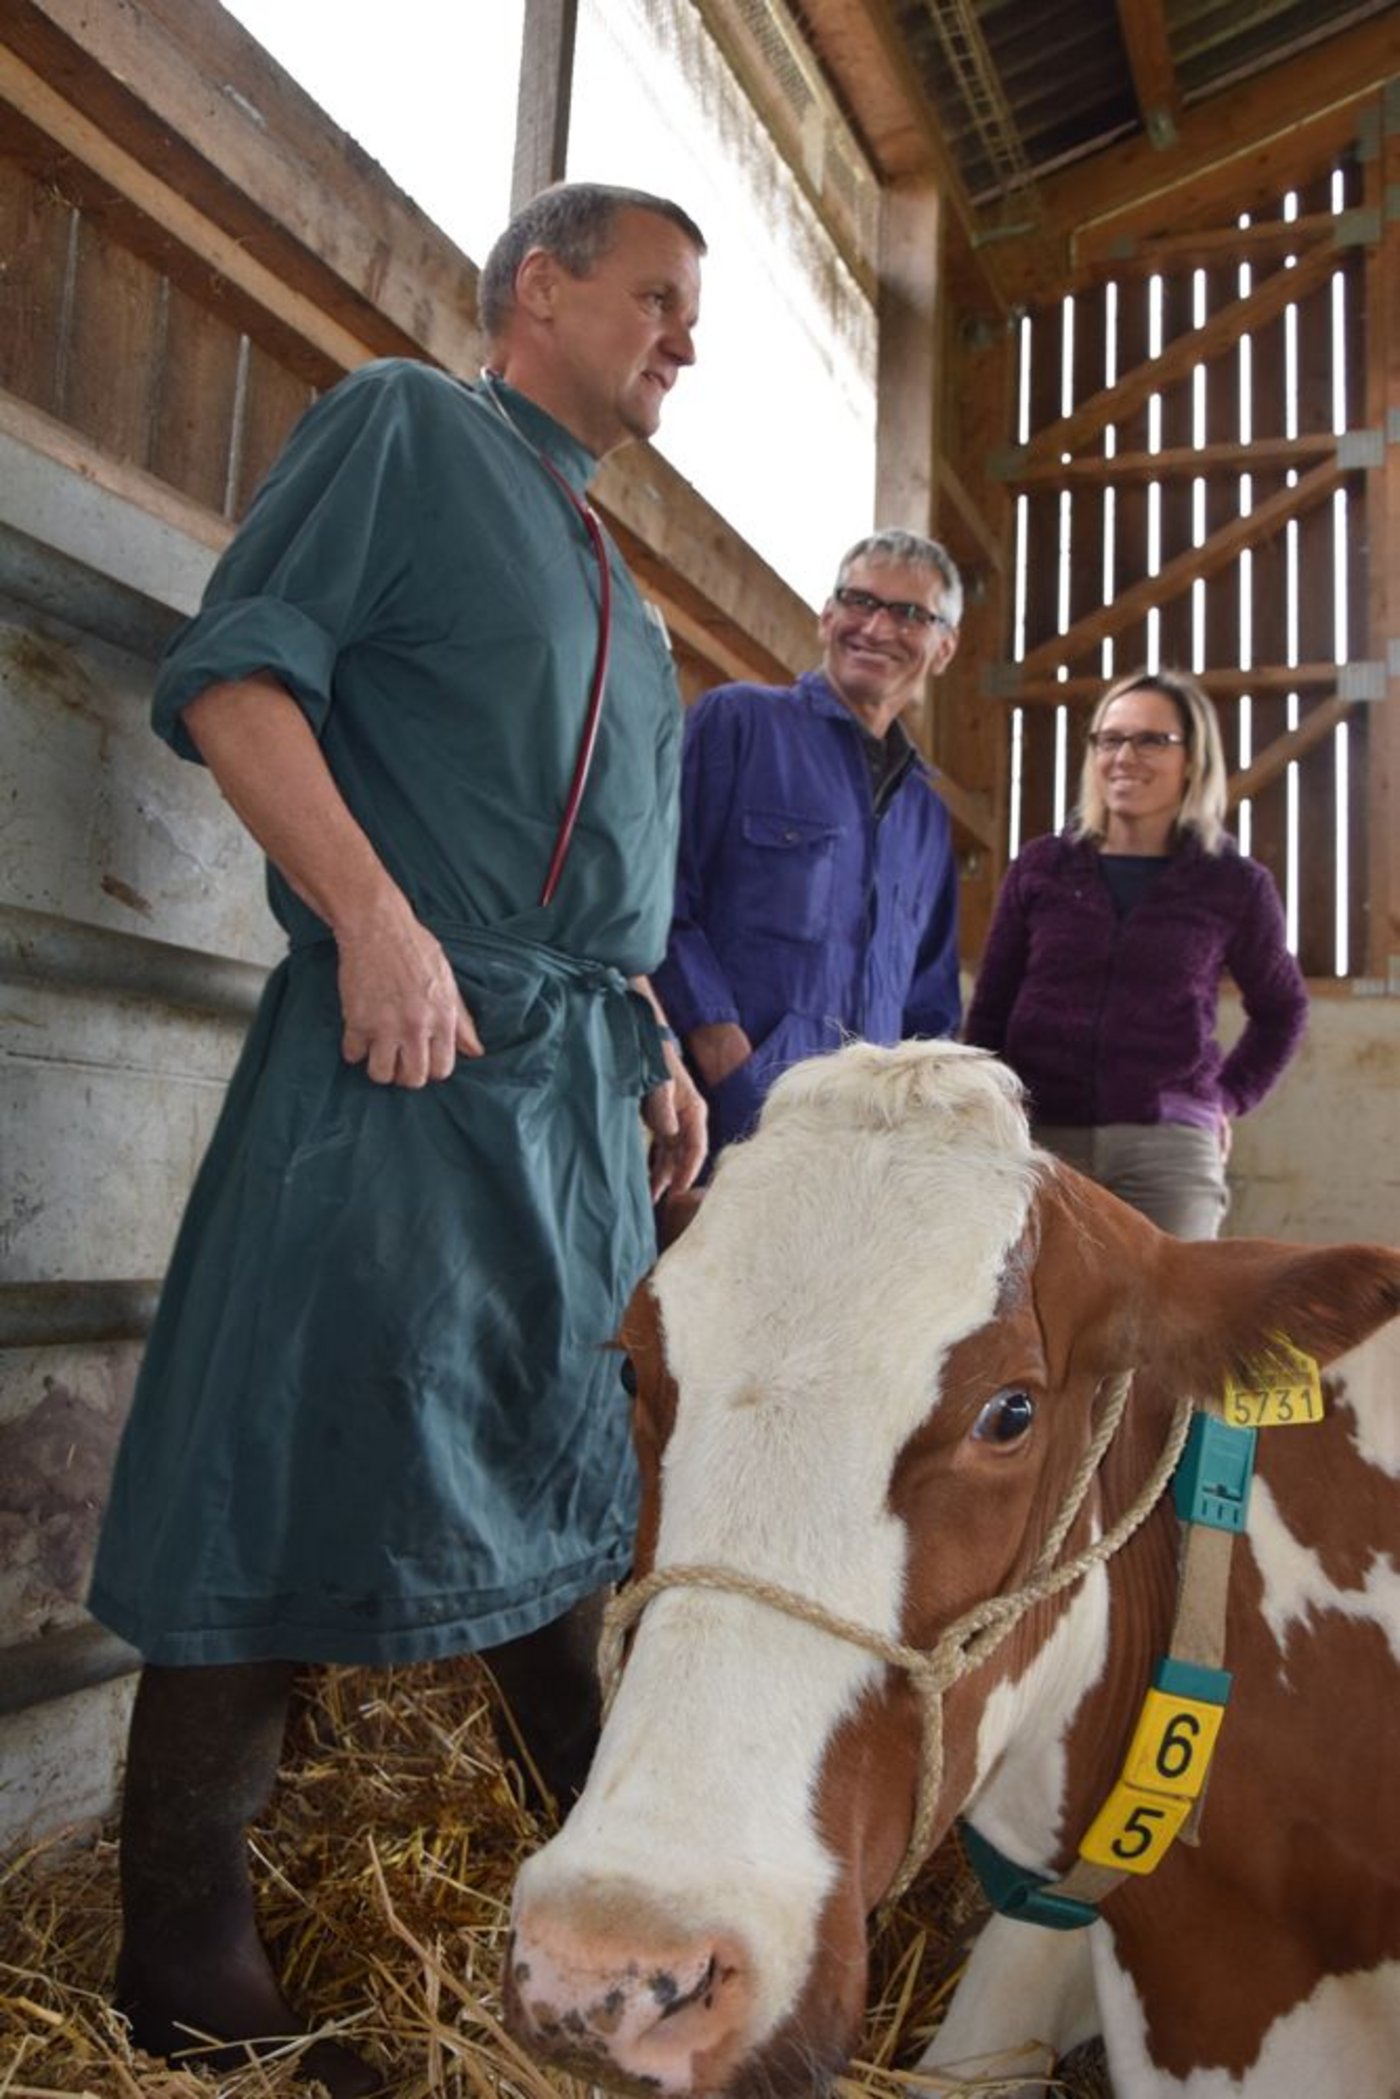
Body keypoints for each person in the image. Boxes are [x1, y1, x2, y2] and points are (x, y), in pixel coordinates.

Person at [86, 182, 708, 2097]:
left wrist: (655, 1038)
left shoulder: (619, 581)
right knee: (272, 1461)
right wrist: (372, 917)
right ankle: (184, 1963)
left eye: (693, 314)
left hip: (575, 1100)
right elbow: (238, 674)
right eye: (656, 298)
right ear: (540, 287)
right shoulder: (408, 425)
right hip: (409, 1058)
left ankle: (600, 1893)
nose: (684, 340)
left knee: (557, 1473)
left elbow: (598, 873)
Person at [964, 666, 1308, 1239]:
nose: (1125, 756)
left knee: (1179, 1300)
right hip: (1037, 1142)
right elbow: (992, 1007)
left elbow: (1283, 1009)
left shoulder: (1233, 883)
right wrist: (989, 1107)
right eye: (1110, 739)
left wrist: (1226, 1097)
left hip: (1167, 1151)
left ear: (1192, 759)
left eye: (1151, 740)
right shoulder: (1042, 867)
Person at [653, 528, 963, 1156]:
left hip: (862, 1145)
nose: (875, 628)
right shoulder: (738, 723)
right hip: (724, 1121)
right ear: (827, 616)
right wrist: (725, 1058)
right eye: (859, 601)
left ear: (943, 648)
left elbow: (929, 1002)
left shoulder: (926, 816)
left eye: (909, 614)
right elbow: (661, 899)